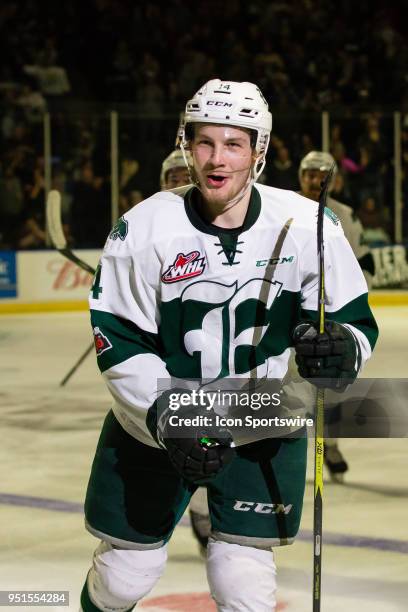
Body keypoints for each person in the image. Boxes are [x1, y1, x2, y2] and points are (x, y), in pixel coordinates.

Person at [82, 79, 378, 612]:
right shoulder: (144, 227)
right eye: (204, 143)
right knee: (126, 573)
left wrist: (340, 351)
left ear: (259, 150)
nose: (217, 160)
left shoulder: (308, 224)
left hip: (263, 419)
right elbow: (118, 336)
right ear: (186, 145)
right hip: (158, 425)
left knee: (243, 579)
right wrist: (168, 414)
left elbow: (352, 320)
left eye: (234, 144)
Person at [298, 150, 376, 480]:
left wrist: (346, 308)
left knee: (327, 385)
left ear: (337, 180)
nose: (316, 180)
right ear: (300, 178)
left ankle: (329, 445)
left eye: (322, 174)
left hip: (329, 316)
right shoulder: (283, 208)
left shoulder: (345, 215)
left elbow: (364, 265)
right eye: (310, 173)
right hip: (290, 315)